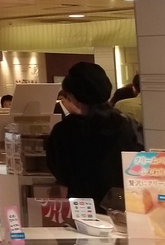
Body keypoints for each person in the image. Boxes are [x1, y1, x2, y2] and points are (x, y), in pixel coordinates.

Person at [46, 62, 140, 209]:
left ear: (73, 96)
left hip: (82, 208)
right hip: (122, 206)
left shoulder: (65, 130)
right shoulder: (124, 124)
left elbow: (60, 172)